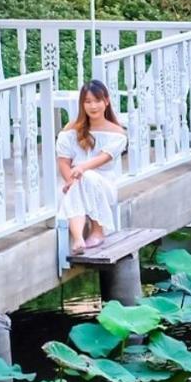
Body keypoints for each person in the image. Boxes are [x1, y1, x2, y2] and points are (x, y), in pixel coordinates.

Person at [56, 80, 127, 253]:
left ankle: (98, 229)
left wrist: (81, 169)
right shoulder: (71, 129)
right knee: (78, 185)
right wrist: (71, 180)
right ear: (82, 104)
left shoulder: (116, 133)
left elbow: (103, 158)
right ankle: (79, 238)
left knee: (87, 177)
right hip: (72, 183)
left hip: (103, 185)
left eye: (97, 101)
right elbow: (63, 162)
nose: (93, 106)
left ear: (106, 101)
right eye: (88, 101)